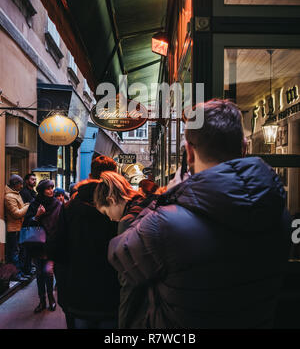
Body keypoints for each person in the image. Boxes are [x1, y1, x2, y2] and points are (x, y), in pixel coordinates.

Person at [107, 99, 291, 329]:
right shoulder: (279, 214)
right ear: (243, 148)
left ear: (190, 153)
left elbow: (120, 253)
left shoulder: (166, 224)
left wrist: (163, 198)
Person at [93, 171, 165, 328]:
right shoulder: (147, 204)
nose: (110, 218)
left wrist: (123, 322)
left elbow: (130, 283)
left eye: (106, 213)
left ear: (111, 200)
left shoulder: (127, 222)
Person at [47, 179, 120, 329]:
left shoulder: (68, 210)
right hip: (110, 292)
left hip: (78, 290)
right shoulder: (115, 211)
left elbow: (56, 249)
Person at [23, 179, 62, 313]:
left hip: (52, 244)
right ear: (41, 190)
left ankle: (51, 298)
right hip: (37, 245)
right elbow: (27, 224)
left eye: (52, 188)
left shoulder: (58, 204)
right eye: (48, 188)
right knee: (39, 274)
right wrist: (37, 216)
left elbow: (62, 224)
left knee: (48, 272)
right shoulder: (34, 204)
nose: (51, 190)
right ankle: (42, 301)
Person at [4, 175, 30, 282]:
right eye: (21, 184)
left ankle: (20, 272)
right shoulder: (9, 196)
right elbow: (16, 213)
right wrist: (27, 206)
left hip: (18, 227)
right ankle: (17, 274)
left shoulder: (16, 194)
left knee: (19, 251)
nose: (22, 186)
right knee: (14, 252)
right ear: (16, 184)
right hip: (13, 229)